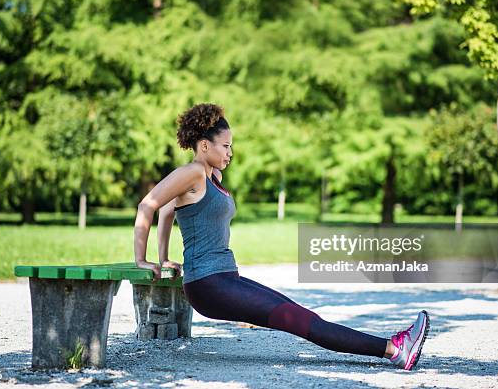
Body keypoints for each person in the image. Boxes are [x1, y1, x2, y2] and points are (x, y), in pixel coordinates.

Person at [133, 103, 430, 370]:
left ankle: (395, 347)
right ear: (204, 145)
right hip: (209, 284)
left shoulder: (211, 178)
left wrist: (165, 258)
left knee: (300, 314)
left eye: (231, 146)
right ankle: (395, 349)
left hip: (223, 278)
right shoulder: (193, 171)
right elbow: (150, 205)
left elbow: (170, 210)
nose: (230, 153)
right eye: (225, 146)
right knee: (299, 321)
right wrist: (143, 260)